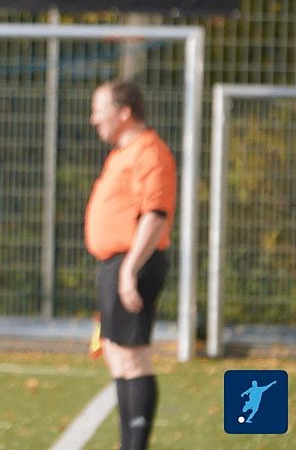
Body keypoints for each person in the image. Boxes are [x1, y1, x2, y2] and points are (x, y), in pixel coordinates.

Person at [85, 81, 176, 450]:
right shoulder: (123, 152)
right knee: (118, 355)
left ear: (124, 112)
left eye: (99, 109)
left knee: (133, 358)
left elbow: (155, 214)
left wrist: (129, 270)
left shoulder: (150, 152)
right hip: (116, 264)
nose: (94, 119)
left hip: (133, 264)